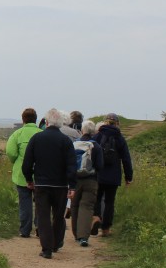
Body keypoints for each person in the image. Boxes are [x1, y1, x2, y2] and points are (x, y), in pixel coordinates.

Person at [22, 108, 77, 258]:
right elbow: (72, 165)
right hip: (60, 185)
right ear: (61, 123)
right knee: (59, 216)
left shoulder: (37, 139)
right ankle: (56, 243)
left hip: (41, 184)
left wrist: (29, 179)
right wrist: (72, 185)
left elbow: (27, 163)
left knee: (43, 215)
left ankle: (46, 249)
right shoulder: (65, 141)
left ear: (46, 122)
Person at [92, 112, 134, 237]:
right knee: (110, 202)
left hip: (98, 173)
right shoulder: (120, 138)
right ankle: (106, 229)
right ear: (117, 124)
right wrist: (128, 177)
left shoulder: (98, 136)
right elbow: (126, 159)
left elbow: (90, 153)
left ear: (105, 122)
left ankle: (96, 217)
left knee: (97, 198)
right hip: (113, 175)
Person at [6, 108, 42, 238]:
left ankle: (25, 230)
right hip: (40, 174)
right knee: (40, 202)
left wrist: (17, 161)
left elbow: (11, 152)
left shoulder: (17, 134)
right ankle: (40, 227)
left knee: (24, 202)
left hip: (21, 174)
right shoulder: (41, 133)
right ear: (35, 119)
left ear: (23, 120)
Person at [70, 120, 104, 247]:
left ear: (82, 130)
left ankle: (75, 233)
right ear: (93, 132)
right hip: (91, 180)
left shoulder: (74, 144)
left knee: (75, 206)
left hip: (75, 180)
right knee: (87, 207)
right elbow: (100, 165)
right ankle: (83, 237)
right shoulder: (96, 146)